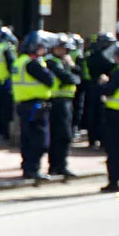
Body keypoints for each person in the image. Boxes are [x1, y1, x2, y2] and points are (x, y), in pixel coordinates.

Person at [13, 31, 58, 181]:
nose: (44, 51)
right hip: (35, 105)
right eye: (42, 48)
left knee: (26, 139)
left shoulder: (19, 61)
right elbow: (50, 80)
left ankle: (28, 168)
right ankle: (34, 169)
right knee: (39, 140)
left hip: (23, 104)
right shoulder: (32, 63)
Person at [45, 34, 81, 179]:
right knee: (60, 135)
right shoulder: (51, 62)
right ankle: (56, 166)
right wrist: (72, 75)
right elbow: (67, 78)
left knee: (65, 136)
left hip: (67, 101)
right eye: (62, 48)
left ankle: (60, 165)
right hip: (56, 101)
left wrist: (72, 66)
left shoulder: (65, 62)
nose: (65, 52)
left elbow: (79, 76)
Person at [84, 32, 118, 148]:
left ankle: (100, 138)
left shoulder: (111, 55)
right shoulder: (95, 55)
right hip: (95, 86)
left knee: (102, 114)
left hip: (107, 87)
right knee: (94, 113)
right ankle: (93, 138)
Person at [99, 42, 119, 193]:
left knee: (114, 149)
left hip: (116, 114)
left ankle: (113, 182)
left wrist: (103, 84)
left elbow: (109, 90)